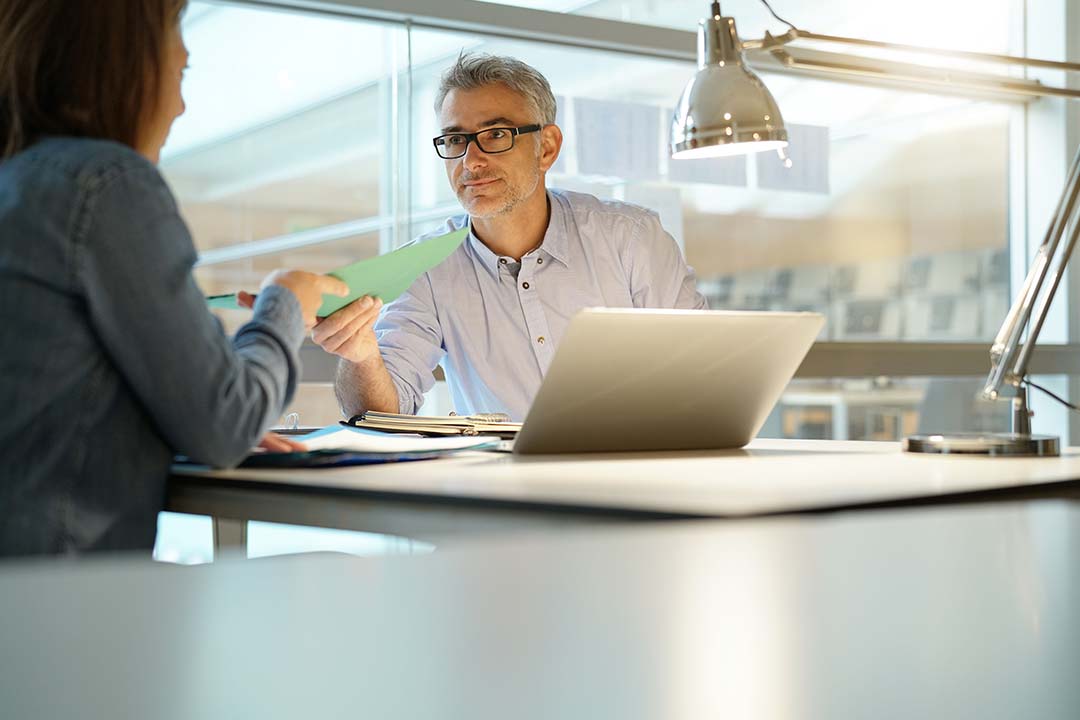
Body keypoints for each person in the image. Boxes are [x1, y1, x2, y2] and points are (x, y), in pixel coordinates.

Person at [0, 0, 348, 556]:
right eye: (181, 71)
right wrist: (286, 302)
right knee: (334, 569)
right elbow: (227, 422)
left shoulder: (20, 186)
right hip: (61, 599)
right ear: (123, 64)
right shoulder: (106, 187)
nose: (182, 105)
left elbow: (50, 405)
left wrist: (181, 420)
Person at [316, 53, 708, 422]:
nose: (471, 161)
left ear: (547, 147)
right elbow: (384, 413)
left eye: (497, 133)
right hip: (506, 488)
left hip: (641, 476)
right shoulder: (426, 270)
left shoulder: (631, 239)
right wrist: (362, 356)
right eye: (455, 140)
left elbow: (706, 372)